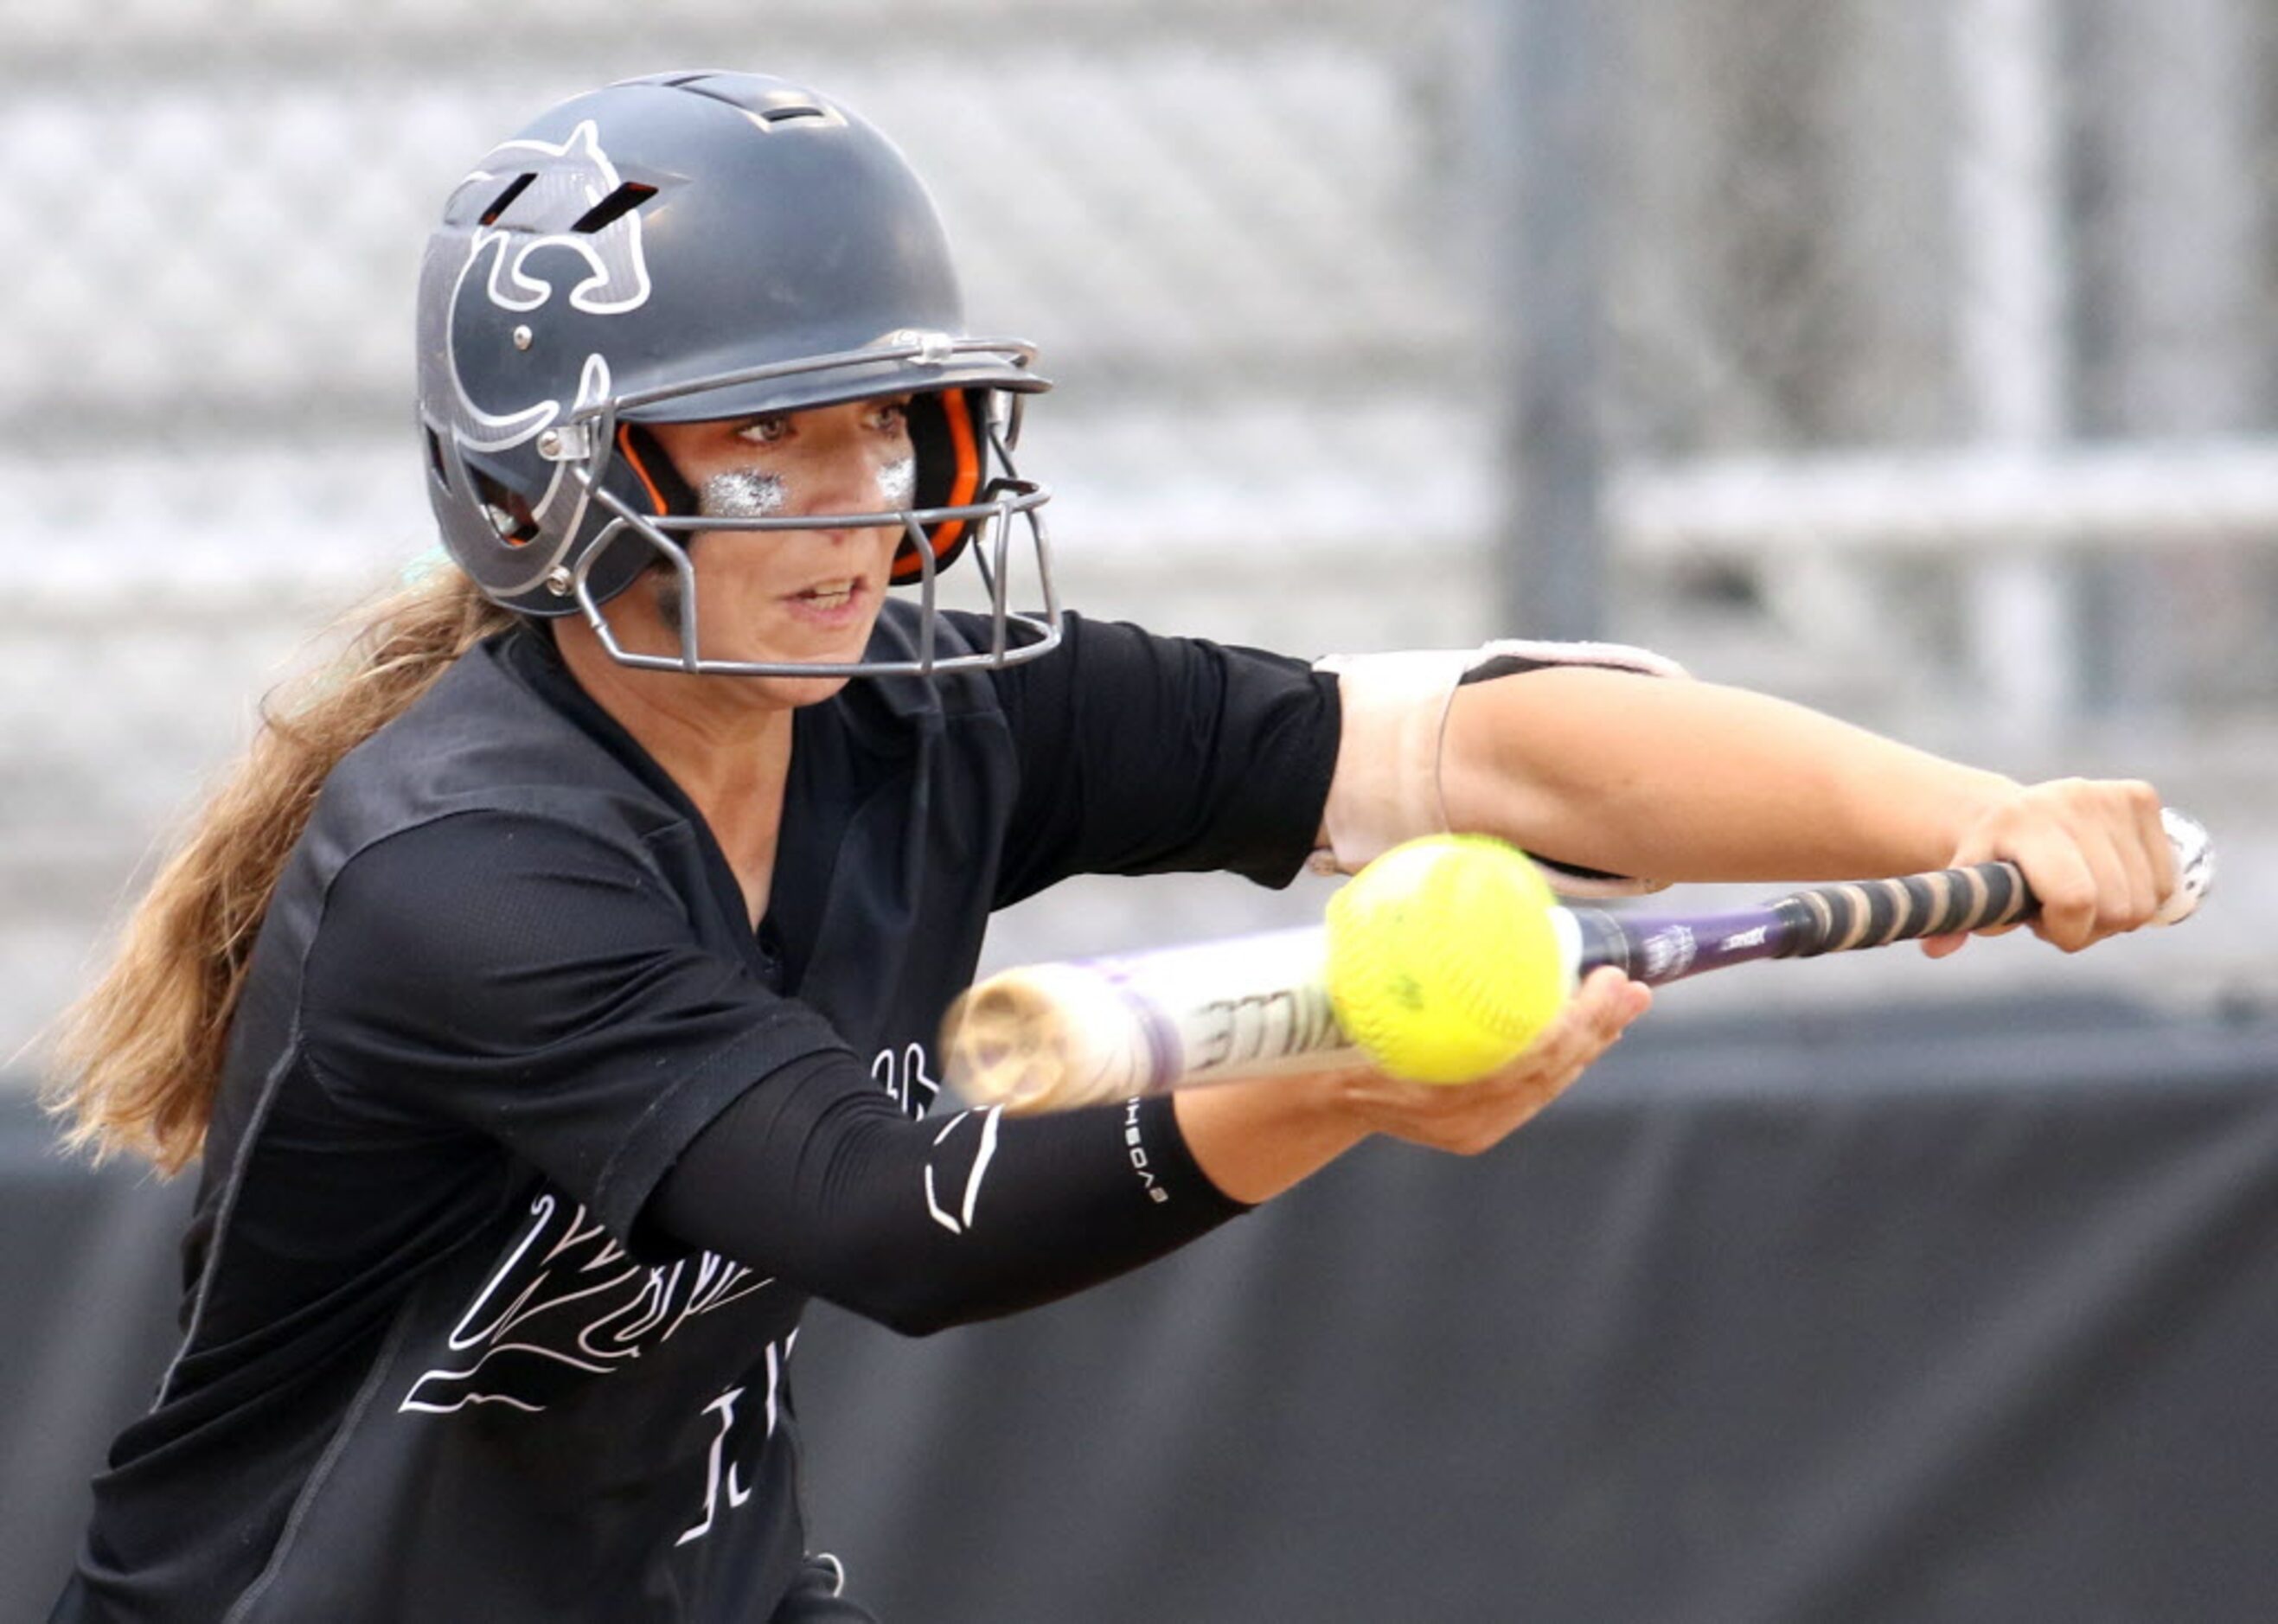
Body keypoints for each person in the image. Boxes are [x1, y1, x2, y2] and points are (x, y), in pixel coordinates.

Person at [45, 71, 2179, 1622]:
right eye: (760, 434)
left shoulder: (924, 712)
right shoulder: (470, 871)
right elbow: (899, 1218)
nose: (852, 494)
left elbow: (1488, 752)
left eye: (879, 422)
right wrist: (1346, 1080)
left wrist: (1971, 811)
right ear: (547, 486)